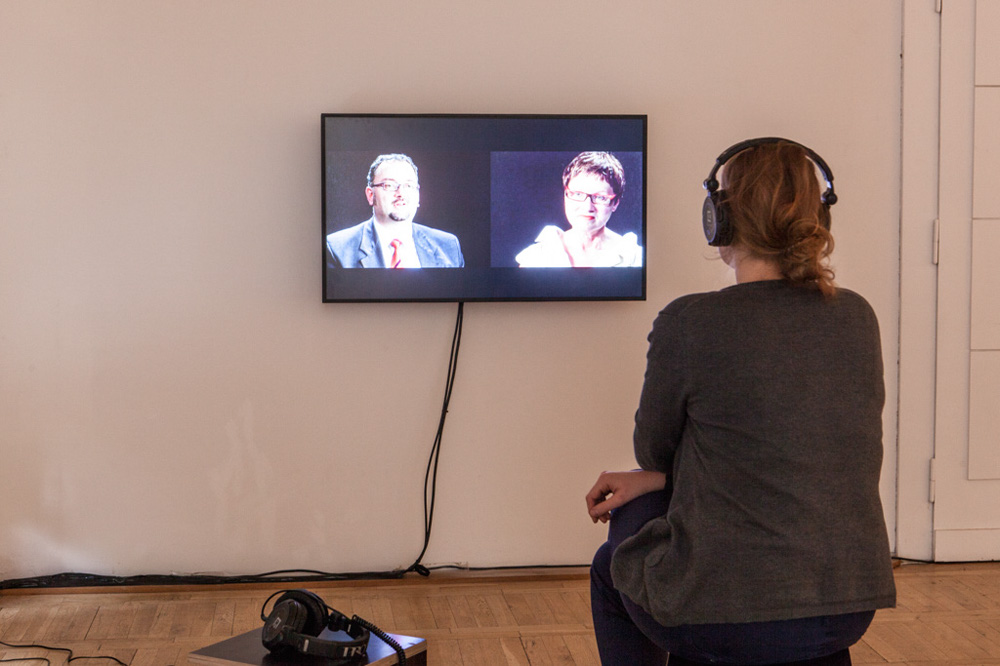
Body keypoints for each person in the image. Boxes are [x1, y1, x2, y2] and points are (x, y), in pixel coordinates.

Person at [585, 139, 896, 665]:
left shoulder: (691, 322)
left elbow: (654, 450)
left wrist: (656, 476)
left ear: (720, 219)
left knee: (612, 562)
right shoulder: (857, 316)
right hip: (847, 607)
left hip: (726, 615)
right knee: (665, 515)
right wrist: (659, 479)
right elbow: (796, 448)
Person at [326, 154, 464, 268]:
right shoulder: (337, 248)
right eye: (389, 185)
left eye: (409, 185)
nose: (401, 193)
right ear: (370, 195)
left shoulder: (448, 246)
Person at [515, 152, 642, 267]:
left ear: (615, 203)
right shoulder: (536, 257)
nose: (587, 207)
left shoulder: (634, 258)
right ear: (565, 195)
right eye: (577, 194)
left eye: (600, 197)